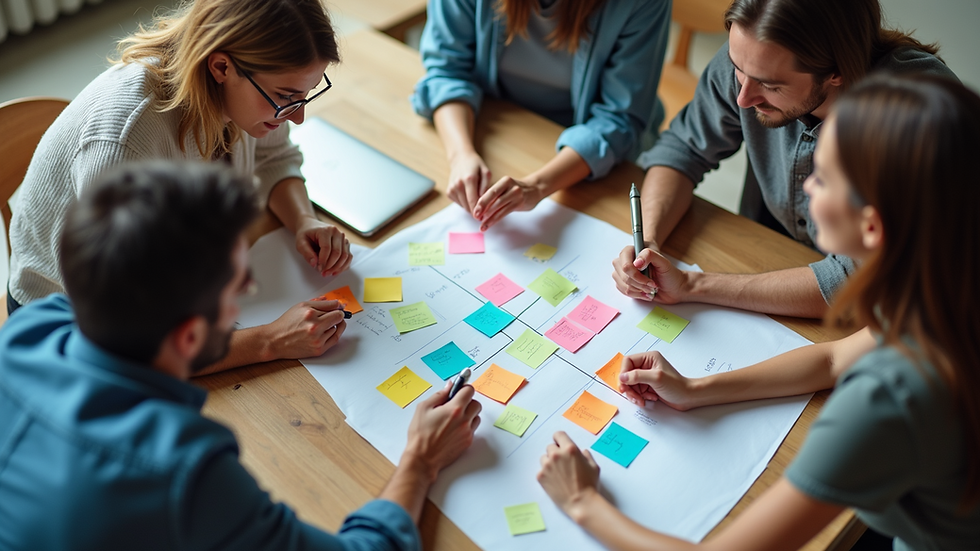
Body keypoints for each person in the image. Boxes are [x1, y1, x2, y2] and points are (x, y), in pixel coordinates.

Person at [538, 74, 980, 550]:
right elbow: (833, 359)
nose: (807, 184)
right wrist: (694, 389)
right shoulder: (948, 287)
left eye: (824, 177)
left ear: (872, 226)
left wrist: (583, 501)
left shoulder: (889, 399)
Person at [0, 161, 483, 550]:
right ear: (189, 337)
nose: (251, 289)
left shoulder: (28, 327)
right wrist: (420, 460)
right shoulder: (188, 470)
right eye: (240, 285)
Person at [7, 0, 352, 372]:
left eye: (306, 94)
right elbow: (127, 339)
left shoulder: (252, 94)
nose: (297, 117)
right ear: (221, 66)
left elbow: (274, 156)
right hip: (70, 326)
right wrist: (269, 341)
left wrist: (303, 220)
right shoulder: (125, 143)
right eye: (287, 97)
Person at [612, 0, 957, 319]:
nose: (744, 98)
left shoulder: (918, 119)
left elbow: (860, 279)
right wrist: (650, 242)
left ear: (836, 70)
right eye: (737, 69)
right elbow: (683, 149)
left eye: (770, 86)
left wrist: (693, 286)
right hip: (769, 251)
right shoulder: (754, 55)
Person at [412, 0, 670, 231]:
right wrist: (460, 155)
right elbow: (447, 72)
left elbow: (618, 120)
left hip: (587, 152)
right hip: (500, 121)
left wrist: (537, 187)